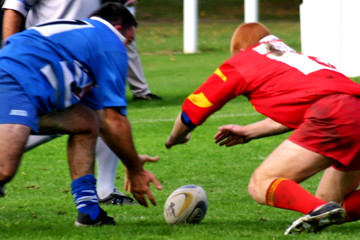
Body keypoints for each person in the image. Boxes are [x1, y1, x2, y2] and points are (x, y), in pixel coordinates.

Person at [165, 22, 360, 235]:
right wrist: (251, 131)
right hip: (349, 111)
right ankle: (321, 207)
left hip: (336, 115)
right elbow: (311, 103)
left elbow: (193, 109)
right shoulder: (302, 59)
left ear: (240, 51)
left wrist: (175, 137)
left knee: (261, 184)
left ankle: (317, 210)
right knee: (335, 203)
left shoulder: (243, 60)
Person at [0, 3, 162, 226]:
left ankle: (89, 212)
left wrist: (131, 160)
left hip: (20, 83)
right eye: (129, 40)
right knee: (3, 170)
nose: (126, 48)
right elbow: (115, 119)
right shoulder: (110, 42)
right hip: (12, 83)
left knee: (85, 123)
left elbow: (104, 121)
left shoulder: (84, 40)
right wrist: (135, 171)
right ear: (119, 28)